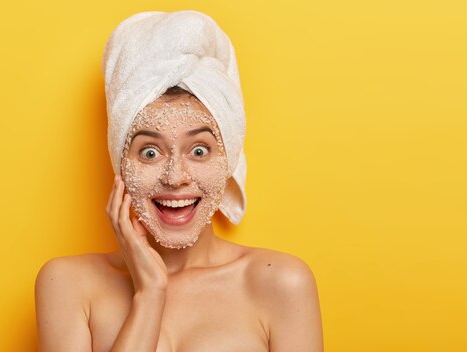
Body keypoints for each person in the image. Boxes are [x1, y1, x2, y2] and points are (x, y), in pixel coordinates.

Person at [35, 10, 323, 352]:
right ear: (120, 163)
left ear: (229, 159)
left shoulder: (281, 283)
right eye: (150, 153)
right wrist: (150, 293)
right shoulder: (67, 285)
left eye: (199, 151)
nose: (175, 178)